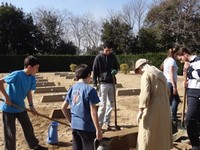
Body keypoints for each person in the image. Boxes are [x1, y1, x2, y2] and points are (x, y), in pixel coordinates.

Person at [0, 55, 48, 150]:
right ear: (29, 67)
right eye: (36, 68)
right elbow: (0, 82)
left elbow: (29, 93)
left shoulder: (32, 78)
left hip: (20, 107)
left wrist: (31, 106)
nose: (37, 70)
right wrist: (6, 97)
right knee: (10, 132)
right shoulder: (17, 74)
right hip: (8, 108)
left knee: (28, 127)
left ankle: (34, 145)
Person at [61, 64, 102, 150]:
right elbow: (93, 111)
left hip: (75, 126)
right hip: (87, 127)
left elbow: (63, 107)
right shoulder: (90, 90)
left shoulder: (72, 88)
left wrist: (70, 121)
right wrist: (98, 129)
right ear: (88, 75)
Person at [134, 58, 173, 150]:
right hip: (165, 105)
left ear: (140, 67)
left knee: (147, 130)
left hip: (153, 105)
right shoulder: (160, 74)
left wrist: (141, 109)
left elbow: (145, 94)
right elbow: (168, 91)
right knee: (161, 129)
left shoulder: (146, 75)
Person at [174, 47, 200, 150]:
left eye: (180, 59)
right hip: (190, 92)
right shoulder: (188, 64)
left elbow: (198, 75)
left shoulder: (198, 61)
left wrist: (188, 70)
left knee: (190, 119)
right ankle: (195, 140)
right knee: (196, 119)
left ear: (185, 54)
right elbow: (192, 77)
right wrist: (187, 81)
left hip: (197, 93)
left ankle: (195, 145)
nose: (181, 62)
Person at [92, 41, 119, 130]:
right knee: (102, 104)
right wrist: (95, 84)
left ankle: (106, 122)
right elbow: (95, 71)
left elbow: (116, 66)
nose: (108, 52)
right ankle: (99, 125)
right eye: (107, 50)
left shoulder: (113, 57)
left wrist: (115, 71)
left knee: (111, 104)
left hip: (112, 82)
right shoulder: (98, 58)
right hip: (103, 83)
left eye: (110, 50)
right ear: (104, 48)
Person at [163, 46, 181, 132]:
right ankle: (171, 119)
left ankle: (172, 118)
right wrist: (174, 86)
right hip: (170, 83)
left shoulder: (166, 60)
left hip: (167, 82)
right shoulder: (172, 61)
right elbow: (171, 73)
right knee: (172, 101)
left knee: (175, 100)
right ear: (175, 53)